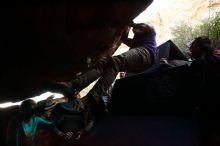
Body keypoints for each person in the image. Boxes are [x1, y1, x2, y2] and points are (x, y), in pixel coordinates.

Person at [44, 22, 158, 128]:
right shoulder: (138, 41)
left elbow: (142, 27)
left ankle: (89, 101)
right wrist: (125, 29)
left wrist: (130, 22)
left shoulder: (150, 31)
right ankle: (73, 86)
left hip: (147, 54)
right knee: (104, 63)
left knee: (117, 61)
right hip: (140, 59)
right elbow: (124, 38)